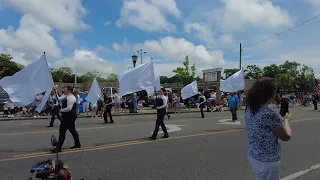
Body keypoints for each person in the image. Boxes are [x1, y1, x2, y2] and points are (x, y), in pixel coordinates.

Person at [245, 77, 292, 180]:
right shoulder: (269, 114)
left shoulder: (249, 110)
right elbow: (286, 136)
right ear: (270, 94)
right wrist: (286, 121)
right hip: (267, 160)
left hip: (253, 155)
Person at [51, 86, 81, 153]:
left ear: (69, 90)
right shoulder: (66, 96)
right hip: (68, 116)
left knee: (62, 131)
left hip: (70, 116)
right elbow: (58, 99)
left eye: (65, 88)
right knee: (72, 130)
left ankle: (58, 148)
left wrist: (60, 110)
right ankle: (77, 144)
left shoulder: (71, 97)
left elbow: (69, 108)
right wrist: (55, 91)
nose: (64, 89)